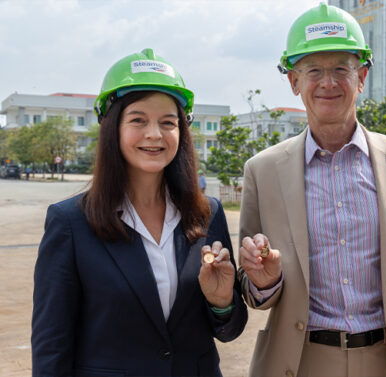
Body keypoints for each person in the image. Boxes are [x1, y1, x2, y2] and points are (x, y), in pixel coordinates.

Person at [238, 4, 386, 377]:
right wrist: (263, 280)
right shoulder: (262, 172)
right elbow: (252, 290)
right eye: (313, 70)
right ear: (294, 82)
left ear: (362, 76)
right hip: (302, 361)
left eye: (341, 69)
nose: (328, 83)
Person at [32, 48, 247, 377]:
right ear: (112, 127)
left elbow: (228, 330)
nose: (154, 134)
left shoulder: (207, 214)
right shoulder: (71, 223)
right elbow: (52, 345)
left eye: (167, 122)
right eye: (138, 120)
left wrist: (222, 302)